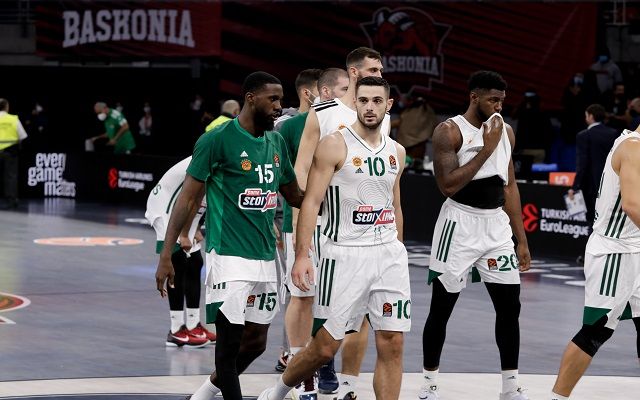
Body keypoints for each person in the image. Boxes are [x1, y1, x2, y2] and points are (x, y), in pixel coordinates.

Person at [155, 71, 304, 400]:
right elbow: (187, 199)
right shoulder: (217, 139)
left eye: (281, 99)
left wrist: (335, 193)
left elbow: (294, 195)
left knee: (256, 343)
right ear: (251, 98)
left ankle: (203, 395)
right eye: (273, 99)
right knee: (228, 346)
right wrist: (167, 253)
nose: (279, 106)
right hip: (228, 256)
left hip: (266, 256)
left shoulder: (276, 142)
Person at [259, 76, 409, 400]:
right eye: (364, 100)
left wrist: (399, 247)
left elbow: (395, 205)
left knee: (393, 341)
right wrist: (302, 255)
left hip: (389, 255)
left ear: (388, 105)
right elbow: (311, 202)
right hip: (343, 254)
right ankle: (279, 391)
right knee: (325, 348)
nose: (370, 107)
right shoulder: (334, 144)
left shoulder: (397, 151)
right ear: (355, 102)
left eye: (377, 101)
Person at [419, 71, 531, 400]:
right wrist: (486, 148)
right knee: (442, 307)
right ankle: (428, 384)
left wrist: (521, 239)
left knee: (510, 307)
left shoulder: (505, 131)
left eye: (502, 100)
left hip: (495, 226)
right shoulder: (449, 131)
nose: (498, 106)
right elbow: (447, 185)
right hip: (459, 224)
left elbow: (510, 186)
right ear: (474, 97)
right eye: (492, 100)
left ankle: (510, 387)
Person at [294, 46, 391, 399]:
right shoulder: (323, 113)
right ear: (354, 72)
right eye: (373, 70)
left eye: (380, 71)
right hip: (325, 225)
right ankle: (310, 366)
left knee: (362, 311)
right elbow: (302, 168)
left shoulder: (382, 114)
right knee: (316, 300)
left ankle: (348, 384)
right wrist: (301, 222)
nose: (379, 75)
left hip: (364, 230)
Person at [550, 126, 640, 400]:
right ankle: (557, 398)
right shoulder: (633, 147)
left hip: (634, 247)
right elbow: (632, 205)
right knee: (595, 331)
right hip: (616, 253)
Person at [276, 68, 349, 397]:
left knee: (333, 296)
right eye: (344, 89)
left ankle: (325, 360)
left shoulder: (356, 120)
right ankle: (296, 362)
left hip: (340, 222)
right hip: (304, 218)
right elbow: (290, 174)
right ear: (321, 92)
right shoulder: (291, 126)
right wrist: (293, 224)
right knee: (302, 294)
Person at [146, 157, 216, 348]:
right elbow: (191, 199)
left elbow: (203, 199)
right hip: (166, 204)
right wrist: (184, 234)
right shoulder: (212, 157)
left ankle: (193, 325)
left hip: (188, 205)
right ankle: (176, 329)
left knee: (195, 262)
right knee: (177, 261)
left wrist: (196, 228)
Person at [569, 104, 618, 226]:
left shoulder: (584, 135)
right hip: (611, 184)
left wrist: (575, 187)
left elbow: (582, 164)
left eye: (586, 115)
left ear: (591, 116)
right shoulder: (613, 133)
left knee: (593, 222)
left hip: (591, 186)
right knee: (608, 220)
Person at [393, 94, 438, 171]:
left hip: (409, 147)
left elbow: (394, 124)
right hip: (415, 147)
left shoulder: (412, 112)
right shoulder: (425, 112)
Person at [0, 98, 27, 209]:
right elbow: (22, 136)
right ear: (7, 107)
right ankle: (11, 201)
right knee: (11, 176)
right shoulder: (13, 119)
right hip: (10, 151)